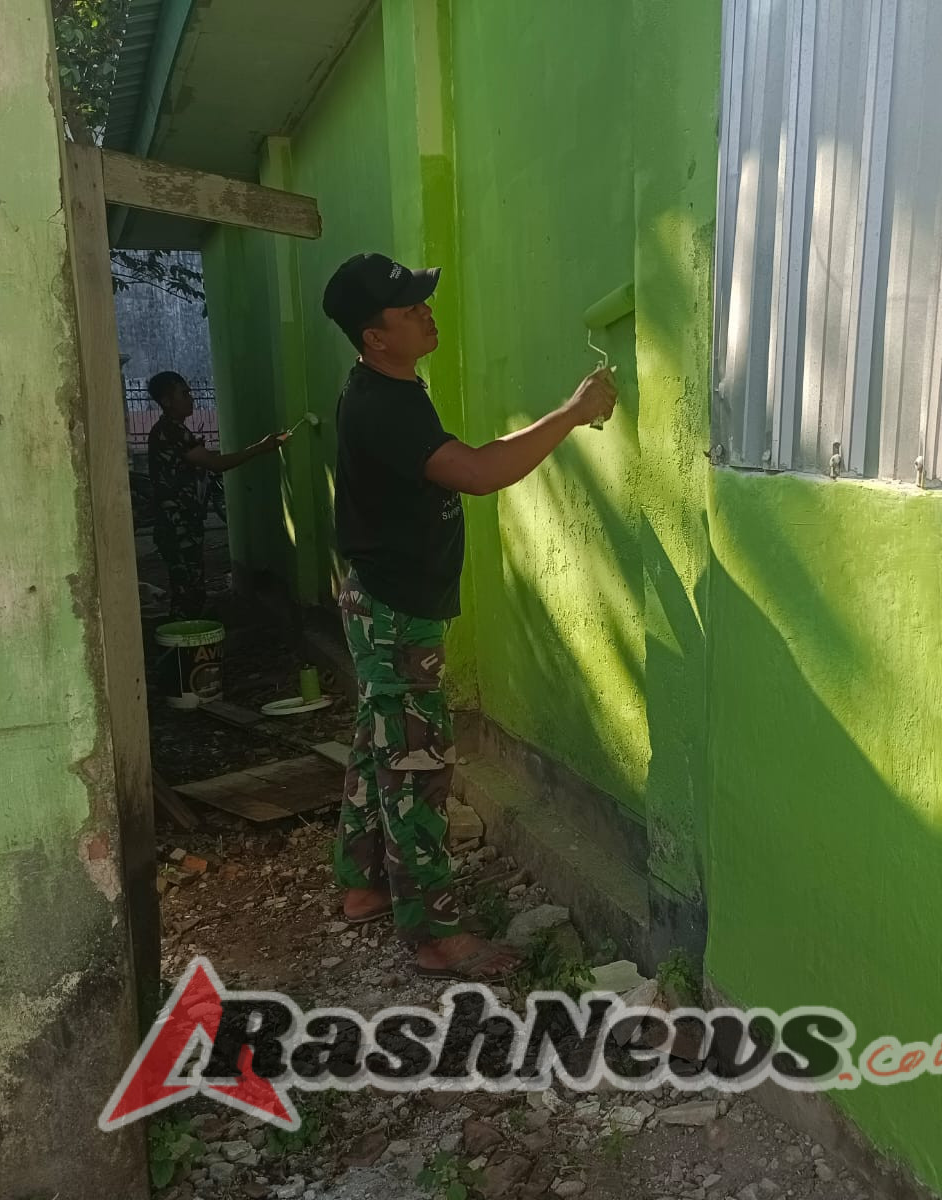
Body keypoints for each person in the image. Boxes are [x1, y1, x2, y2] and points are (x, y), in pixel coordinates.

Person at [320, 252, 617, 983]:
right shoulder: (380, 405)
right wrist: (573, 414)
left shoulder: (390, 388)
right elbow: (480, 473)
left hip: (383, 598)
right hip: (394, 609)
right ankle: (433, 936)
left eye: (422, 299)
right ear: (372, 335)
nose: (425, 312)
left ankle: (362, 887)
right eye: (407, 308)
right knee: (414, 759)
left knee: (380, 744)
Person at [145, 371, 287, 618]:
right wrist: (260, 448)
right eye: (184, 394)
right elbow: (216, 464)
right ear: (167, 401)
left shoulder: (173, 431)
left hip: (181, 522)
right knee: (187, 591)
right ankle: (182, 645)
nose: (191, 399)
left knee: (190, 587)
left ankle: (186, 643)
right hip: (177, 523)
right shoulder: (171, 432)